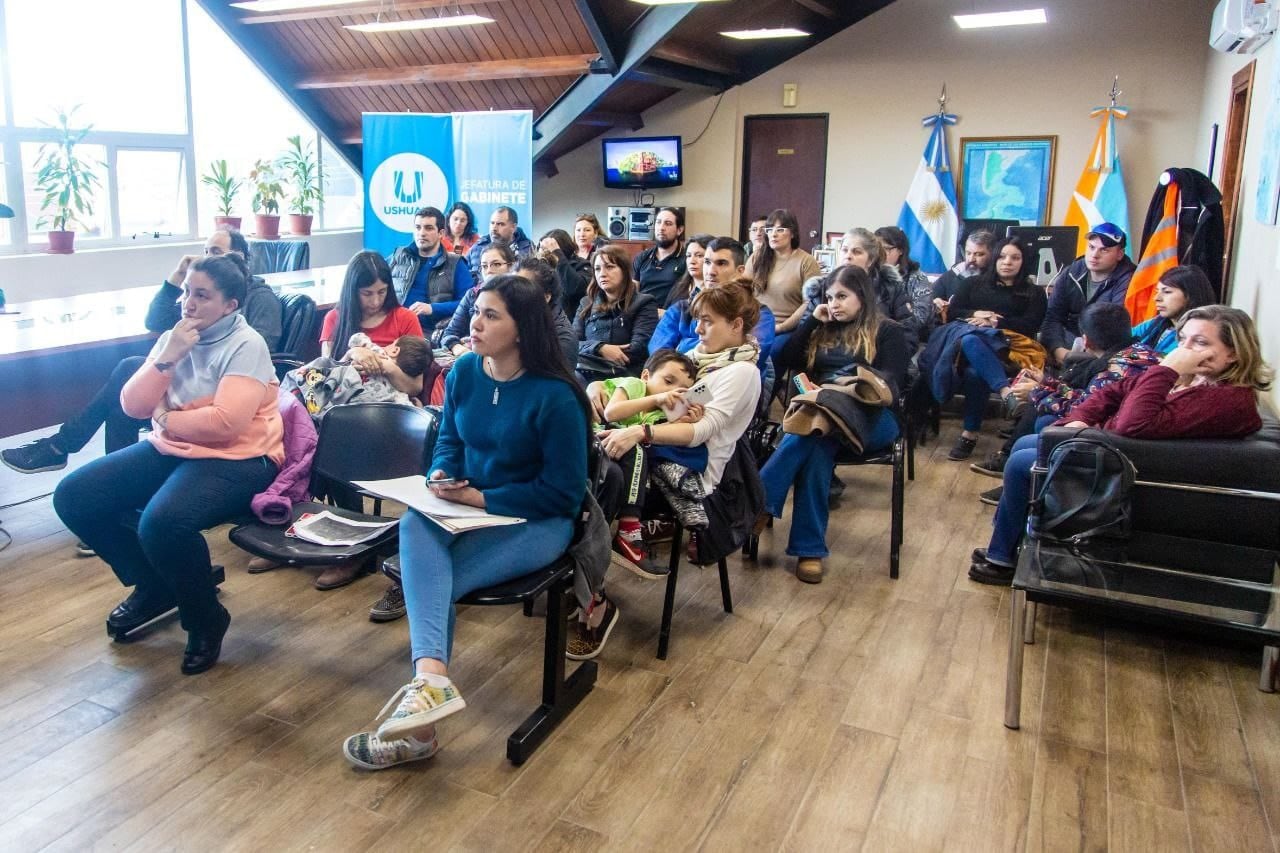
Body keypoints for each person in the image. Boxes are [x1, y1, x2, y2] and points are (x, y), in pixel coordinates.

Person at [342, 274, 595, 771]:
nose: (475, 323)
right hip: (467, 506)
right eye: (476, 311)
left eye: (491, 315)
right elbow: (450, 440)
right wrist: (440, 470)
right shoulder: (464, 373)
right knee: (416, 523)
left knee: (431, 584)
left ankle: (420, 732)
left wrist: (480, 497)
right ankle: (431, 684)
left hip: (536, 521)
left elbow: (562, 494)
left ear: (522, 329)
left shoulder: (558, 396)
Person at [52, 253, 283, 675]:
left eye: (201, 296)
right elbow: (132, 404)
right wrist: (167, 357)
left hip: (244, 456)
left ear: (230, 306)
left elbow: (226, 424)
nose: (187, 303)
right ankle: (158, 584)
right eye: (185, 292)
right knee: (75, 496)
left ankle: (205, 617)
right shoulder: (177, 336)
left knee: (161, 523)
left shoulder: (247, 343)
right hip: (177, 446)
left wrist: (166, 417)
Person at [969, 305, 1272, 585]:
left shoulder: (1226, 401)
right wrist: (1075, 422)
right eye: (1183, 340)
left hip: (1127, 468)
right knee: (1027, 443)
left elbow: (1133, 423)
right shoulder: (1200, 381)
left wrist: (1167, 369)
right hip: (1115, 447)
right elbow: (1117, 390)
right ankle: (1006, 541)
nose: (1186, 351)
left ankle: (1001, 559)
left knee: (1024, 460)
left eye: (1201, 343)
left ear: (1233, 353)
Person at [2, 229, 281, 479]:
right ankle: (108, 477)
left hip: (226, 392)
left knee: (127, 372)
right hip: (186, 384)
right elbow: (156, 320)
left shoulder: (258, 298)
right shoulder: (196, 298)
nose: (208, 257)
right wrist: (178, 277)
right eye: (205, 251)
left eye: (217, 252)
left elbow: (261, 352)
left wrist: (165, 411)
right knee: (127, 381)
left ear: (241, 258)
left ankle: (64, 448)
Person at [597, 281, 764, 578]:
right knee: (593, 463)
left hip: (688, 474)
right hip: (661, 454)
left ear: (736, 325)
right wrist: (600, 388)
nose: (698, 329)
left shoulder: (741, 372)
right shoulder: (703, 361)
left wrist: (640, 432)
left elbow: (699, 432)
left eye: (708, 321)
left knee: (602, 477)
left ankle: (588, 575)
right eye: (698, 320)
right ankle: (585, 572)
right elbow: (661, 404)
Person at [759, 265, 909, 583]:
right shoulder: (822, 326)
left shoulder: (888, 330)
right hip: (818, 417)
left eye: (842, 296)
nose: (835, 303)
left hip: (873, 417)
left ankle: (758, 503)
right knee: (817, 442)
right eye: (829, 296)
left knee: (814, 427)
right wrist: (813, 318)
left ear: (863, 296)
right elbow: (785, 360)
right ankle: (808, 551)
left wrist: (841, 386)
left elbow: (892, 383)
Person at [969, 302, 1161, 492]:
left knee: (1044, 415)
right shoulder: (1140, 353)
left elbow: (1082, 411)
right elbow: (1089, 399)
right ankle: (1019, 479)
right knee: (1041, 408)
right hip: (1122, 427)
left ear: (1086, 341)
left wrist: (1037, 392)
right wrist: (1048, 383)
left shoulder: (1113, 371)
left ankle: (1025, 485)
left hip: (1114, 440)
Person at [945, 236, 1048, 460]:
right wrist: (974, 314)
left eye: (1015, 257)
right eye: (1002, 256)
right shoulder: (973, 284)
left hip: (1011, 353)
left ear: (1024, 261)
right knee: (972, 341)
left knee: (975, 373)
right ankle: (1006, 393)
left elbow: (1031, 325)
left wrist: (996, 323)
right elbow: (952, 313)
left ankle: (969, 435)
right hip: (966, 352)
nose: (1007, 262)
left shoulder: (1034, 293)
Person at [597, 349, 702, 563]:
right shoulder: (634, 385)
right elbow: (611, 413)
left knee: (639, 449)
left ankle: (625, 530)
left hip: (618, 456)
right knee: (635, 448)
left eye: (681, 391)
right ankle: (629, 528)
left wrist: (681, 421)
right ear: (646, 376)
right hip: (596, 435)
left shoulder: (661, 412)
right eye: (668, 381)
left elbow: (649, 435)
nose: (672, 391)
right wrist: (657, 398)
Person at [649, 237, 776, 373]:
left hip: (732, 385)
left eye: (721, 263)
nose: (711, 271)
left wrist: (683, 345)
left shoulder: (759, 313)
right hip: (678, 385)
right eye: (707, 262)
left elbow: (749, 354)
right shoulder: (681, 309)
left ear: (740, 271)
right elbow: (658, 357)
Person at [1041, 223, 1136, 366]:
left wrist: (1080, 355)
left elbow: (1115, 329)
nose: (1094, 255)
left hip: (1104, 352)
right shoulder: (1072, 271)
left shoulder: (1130, 280)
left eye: (1104, 250)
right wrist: (1058, 350)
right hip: (1068, 343)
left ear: (1120, 254)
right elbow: (1052, 316)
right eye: (1091, 247)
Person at [574, 244, 659, 383]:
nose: (602, 273)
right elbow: (573, 343)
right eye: (597, 269)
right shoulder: (586, 303)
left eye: (609, 267)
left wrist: (594, 352)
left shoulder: (644, 302)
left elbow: (638, 347)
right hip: (586, 369)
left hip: (624, 374)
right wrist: (600, 348)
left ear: (624, 271)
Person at [388, 206, 472, 331]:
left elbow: (469, 302)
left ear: (441, 233)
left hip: (431, 331)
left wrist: (432, 308)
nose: (421, 233)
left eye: (428, 228)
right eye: (418, 227)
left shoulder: (456, 263)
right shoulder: (398, 255)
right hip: (393, 326)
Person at [747, 209, 822, 341]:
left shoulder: (806, 261)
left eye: (780, 230)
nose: (773, 234)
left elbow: (809, 304)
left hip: (787, 328)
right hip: (754, 323)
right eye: (769, 229)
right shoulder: (757, 257)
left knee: (771, 352)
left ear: (792, 233)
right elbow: (742, 289)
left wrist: (781, 327)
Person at [439, 244, 517, 357]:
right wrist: (459, 349)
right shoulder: (472, 294)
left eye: (496, 264)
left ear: (511, 266)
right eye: (484, 266)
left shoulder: (521, 296)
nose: (489, 271)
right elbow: (449, 333)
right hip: (472, 354)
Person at [1131, 265, 1217, 355]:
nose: (1156, 298)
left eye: (1167, 292)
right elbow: (1122, 338)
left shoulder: (1199, 336)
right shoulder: (1158, 323)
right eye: (1157, 291)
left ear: (1190, 296)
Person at [515, 255, 578, 369]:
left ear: (546, 296)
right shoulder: (514, 319)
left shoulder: (562, 339)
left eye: (522, 287)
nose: (512, 293)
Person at [876, 225, 935, 337]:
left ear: (901, 250)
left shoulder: (917, 278)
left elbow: (920, 318)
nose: (880, 254)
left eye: (886, 249)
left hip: (910, 336)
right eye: (877, 249)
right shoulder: (871, 275)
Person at [631, 206, 687, 305]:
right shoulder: (642, 257)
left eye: (668, 224)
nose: (661, 228)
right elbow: (632, 293)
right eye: (658, 222)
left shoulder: (687, 259)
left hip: (670, 316)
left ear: (679, 230)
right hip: (643, 314)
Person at [932, 229, 996, 313]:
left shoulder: (998, 278)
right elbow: (930, 297)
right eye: (968, 253)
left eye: (979, 254)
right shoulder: (953, 274)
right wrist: (936, 301)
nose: (971, 259)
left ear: (993, 254)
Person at [465, 205, 534, 274]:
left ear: (513, 227)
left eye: (500, 224)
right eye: (492, 223)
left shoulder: (527, 250)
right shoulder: (478, 247)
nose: (494, 228)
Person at [539, 227, 591, 315]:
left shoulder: (582, 265)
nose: (545, 252)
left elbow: (574, 288)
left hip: (570, 321)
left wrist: (557, 254)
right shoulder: (541, 267)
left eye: (549, 249)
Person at [664, 232, 713, 309]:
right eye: (688, 256)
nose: (692, 261)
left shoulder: (716, 291)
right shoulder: (679, 285)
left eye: (699, 255)